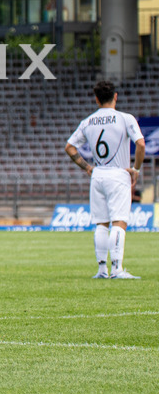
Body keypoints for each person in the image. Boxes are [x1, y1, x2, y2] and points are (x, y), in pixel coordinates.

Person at [64, 80, 145, 279]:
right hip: (118, 174)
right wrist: (136, 169)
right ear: (115, 96)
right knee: (119, 222)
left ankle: (102, 269)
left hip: (98, 174)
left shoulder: (88, 121)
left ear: (96, 99)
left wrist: (87, 167)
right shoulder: (125, 118)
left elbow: (69, 147)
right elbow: (141, 144)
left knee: (101, 223)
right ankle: (117, 269)